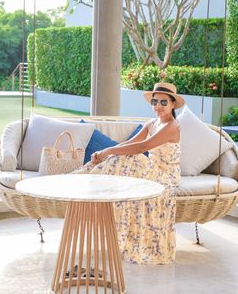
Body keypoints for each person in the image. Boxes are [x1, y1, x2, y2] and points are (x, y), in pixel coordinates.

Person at [75, 82, 185, 264]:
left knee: (131, 158)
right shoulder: (152, 123)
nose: (158, 106)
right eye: (155, 102)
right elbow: (128, 143)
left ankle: (87, 181)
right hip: (152, 171)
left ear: (173, 104)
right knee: (122, 157)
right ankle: (89, 174)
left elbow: (142, 147)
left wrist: (107, 152)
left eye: (164, 102)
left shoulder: (172, 126)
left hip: (166, 179)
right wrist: (104, 153)